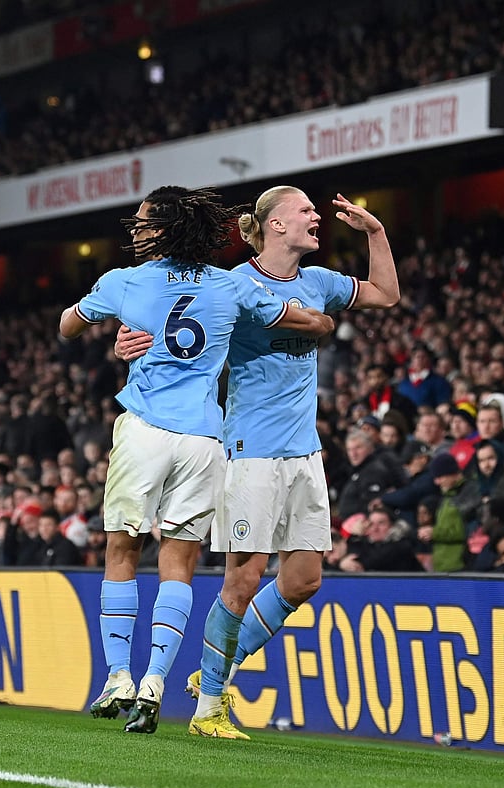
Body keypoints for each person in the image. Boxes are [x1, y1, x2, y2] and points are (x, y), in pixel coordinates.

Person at [118, 186, 397, 739]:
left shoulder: (318, 282)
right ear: (274, 226)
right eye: (305, 211)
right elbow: (173, 326)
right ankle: (210, 710)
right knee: (243, 580)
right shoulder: (232, 285)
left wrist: (376, 233)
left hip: (305, 451)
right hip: (250, 450)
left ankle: (212, 673)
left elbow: (385, 295)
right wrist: (133, 340)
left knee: (303, 579)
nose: (317, 216)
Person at [60, 185, 334, 735]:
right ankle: (159, 679)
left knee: (122, 548)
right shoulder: (228, 285)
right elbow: (308, 322)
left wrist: (115, 337)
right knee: (178, 564)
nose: (135, 230)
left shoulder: (125, 282)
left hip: (146, 430)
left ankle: (119, 673)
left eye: (142, 223)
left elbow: (68, 325)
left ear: (163, 228)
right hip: (206, 437)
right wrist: (320, 323)